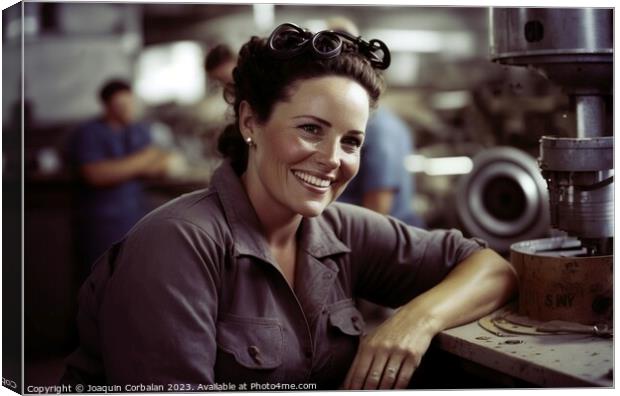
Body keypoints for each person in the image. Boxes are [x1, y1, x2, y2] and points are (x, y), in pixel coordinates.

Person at [61, 24, 517, 390]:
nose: (333, 159)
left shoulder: (343, 232)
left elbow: (492, 269)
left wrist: (413, 322)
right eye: (310, 129)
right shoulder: (179, 244)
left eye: (351, 141)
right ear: (249, 122)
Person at [68, 79, 173, 273]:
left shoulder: (138, 130)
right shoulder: (88, 133)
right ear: (107, 107)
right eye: (121, 106)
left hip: (137, 217)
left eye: (130, 103)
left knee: (136, 276)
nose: (128, 110)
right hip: (102, 223)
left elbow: (162, 166)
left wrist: (123, 167)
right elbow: (95, 175)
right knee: (102, 278)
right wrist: (145, 159)